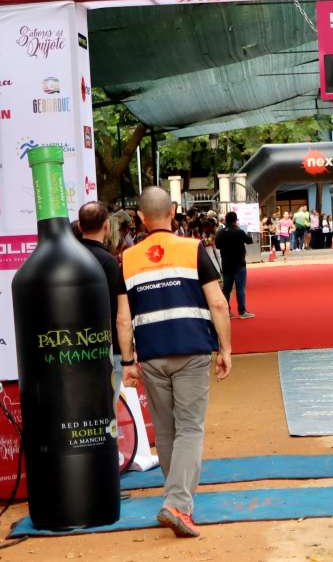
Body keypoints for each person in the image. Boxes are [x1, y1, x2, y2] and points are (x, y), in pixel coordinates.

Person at [119, 187, 232, 539]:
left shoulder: (128, 258)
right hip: (191, 350)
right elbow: (217, 303)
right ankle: (178, 503)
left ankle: (175, 499)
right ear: (172, 211)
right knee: (190, 429)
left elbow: (123, 319)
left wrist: (127, 362)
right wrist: (226, 348)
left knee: (166, 431)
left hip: (151, 354)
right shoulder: (193, 249)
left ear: (139, 217)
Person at [79, 202, 131, 395]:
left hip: (75, 347)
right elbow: (119, 311)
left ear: (80, 227)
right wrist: (127, 356)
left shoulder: (69, 258)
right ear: (107, 226)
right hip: (107, 349)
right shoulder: (108, 262)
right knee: (107, 409)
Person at [215, 212, 255, 320]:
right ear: (235, 220)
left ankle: (226, 311)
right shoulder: (239, 231)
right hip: (239, 262)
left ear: (225, 220)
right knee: (240, 288)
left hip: (226, 263)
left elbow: (217, 246)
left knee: (226, 289)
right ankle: (242, 311)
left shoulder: (220, 232)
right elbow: (250, 241)